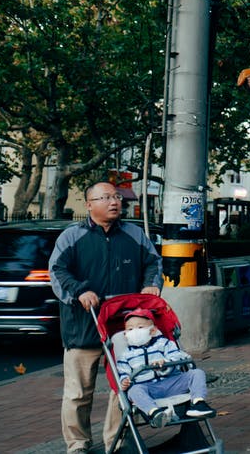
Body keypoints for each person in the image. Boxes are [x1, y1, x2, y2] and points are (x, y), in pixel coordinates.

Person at [49, 182, 163, 454]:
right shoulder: (71, 236)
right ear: (89, 205)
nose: (114, 202)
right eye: (106, 198)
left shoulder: (134, 234)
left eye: (116, 197)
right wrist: (80, 291)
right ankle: (77, 445)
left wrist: (151, 284)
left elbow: (153, 263)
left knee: (123, 386)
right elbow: (57, 271)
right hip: (83, 325)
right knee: (78, 392)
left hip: (123, 326)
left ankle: (116, 441)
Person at [116, 309, 216, 426]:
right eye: (130, 329)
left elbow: (177, 356)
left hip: (172, 382)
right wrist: (124, 381)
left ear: (153, 331)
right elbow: (123, 372)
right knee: (134, 390)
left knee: (197, 373)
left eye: (140, 327)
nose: (135, 332)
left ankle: (198, 403)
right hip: (149, 389)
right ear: (125, 334)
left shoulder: (164, 343)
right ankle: (155, 413)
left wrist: (166, 362)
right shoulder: (125, 355)